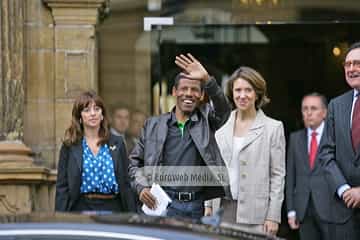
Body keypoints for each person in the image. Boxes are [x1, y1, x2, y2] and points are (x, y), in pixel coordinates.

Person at [128, 53, 231, 221]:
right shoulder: (153, 125)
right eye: (184, 89)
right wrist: (141, 188)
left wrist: (207, 79)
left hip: (196, 205)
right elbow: (133, 164)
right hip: (163, 204)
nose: (189, 94)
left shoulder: (206, 121)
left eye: (194, 90)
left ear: (201, 95)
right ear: (174, 92)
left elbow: (224, 110)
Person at [205, 66, 285, 236]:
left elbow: (277, 176)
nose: (242, 95)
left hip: (258, 216)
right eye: (238, 90)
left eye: (248, 90)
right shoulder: (221, 131)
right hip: (223, 211)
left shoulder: (273, 128)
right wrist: (208, 206)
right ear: (232, 93)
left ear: (257, 93)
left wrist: (273, 216)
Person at [55, 91, 136, 213]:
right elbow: (62, 187)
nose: (92, 113)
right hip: (81, 210)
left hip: (114, 209)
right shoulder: (70, 146)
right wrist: (60, 219)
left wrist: (132, 216)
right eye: (86, 110)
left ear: (102, 114)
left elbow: (126, 183)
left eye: (97, 109)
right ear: (80, 117)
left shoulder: (117, 143)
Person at [286, 93, 351, 239]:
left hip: (331, 208)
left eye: (313, 108)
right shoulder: (295, 138)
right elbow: (291, 177)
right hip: (303, 211)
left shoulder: (335, 136)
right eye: (305, 109)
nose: (308, 113)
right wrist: (291, 210)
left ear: (324, 113)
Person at [319, 41, 360, 239]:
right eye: (348, 64)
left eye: (358, 63)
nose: (352, 69)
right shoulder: (336, 105)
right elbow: (326, 153)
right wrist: (344, 190)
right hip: (344, 214)